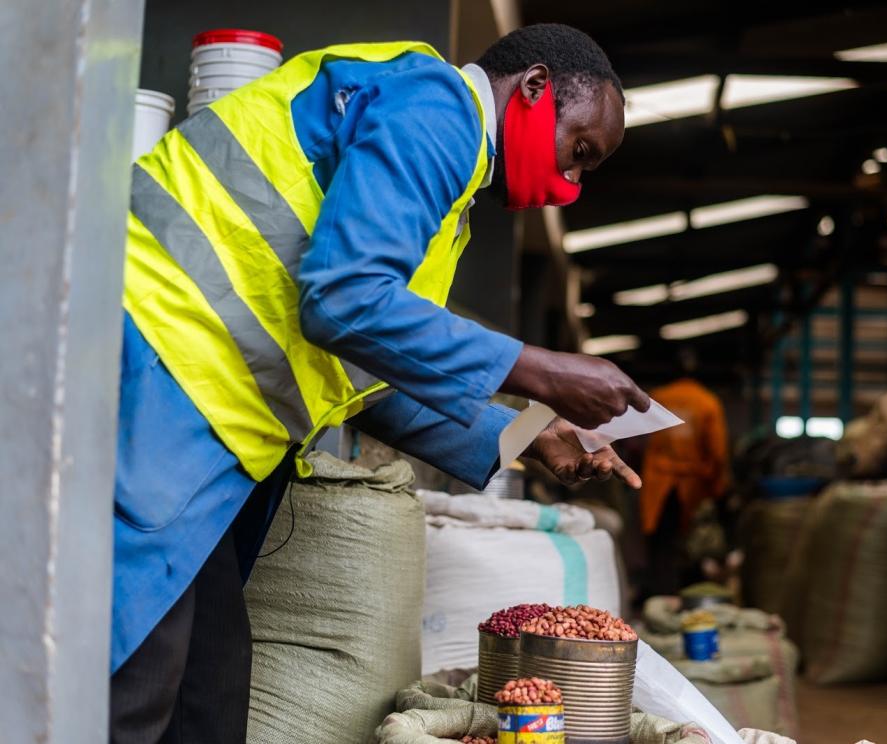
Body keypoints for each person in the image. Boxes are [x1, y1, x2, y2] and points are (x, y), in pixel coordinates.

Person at [111, 24, 649, 743]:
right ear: (533, 88)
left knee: (210, 688)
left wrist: (529, 431)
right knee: (135, 682)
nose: (571, 184)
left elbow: (367, 368)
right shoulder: (435, 109)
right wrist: (542, 368)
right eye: (578, 151)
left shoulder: (445, 200)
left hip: (211, 420)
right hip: (158, 378)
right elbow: (344, 301)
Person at [639, 347, 730, 598]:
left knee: (660, 543)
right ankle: (688, 595)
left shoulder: (657, 398)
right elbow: (718, 452)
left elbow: (638, 439)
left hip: (658, 482)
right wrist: (718, 489)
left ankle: (660, 595)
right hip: (692, 486)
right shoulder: (707, 402)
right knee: (691, 544)